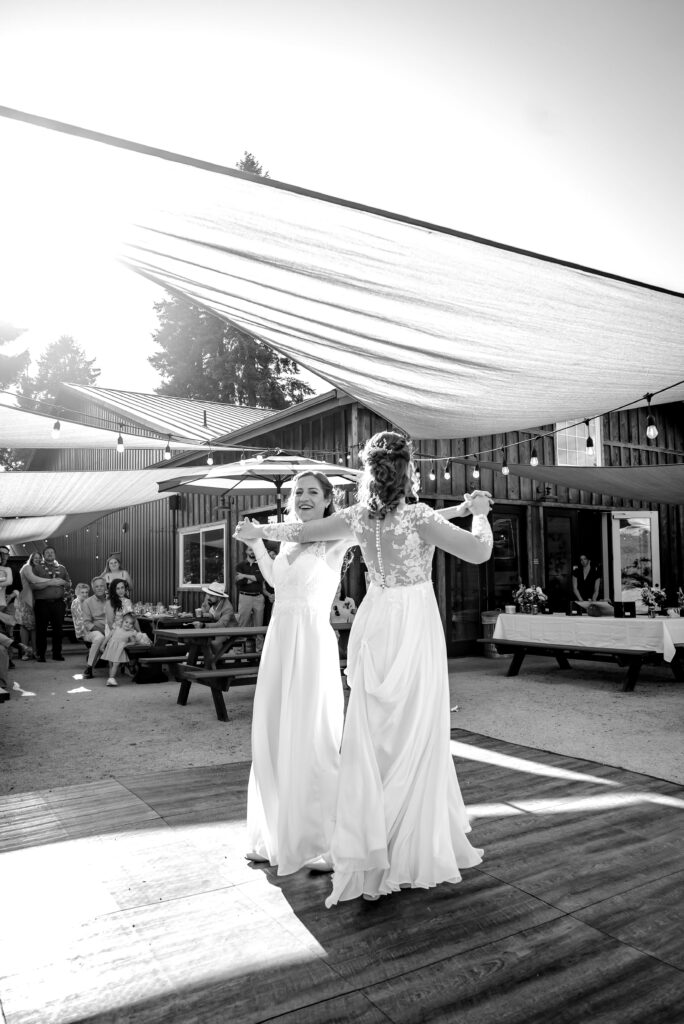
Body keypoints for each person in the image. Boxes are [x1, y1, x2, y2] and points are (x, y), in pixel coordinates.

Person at [235, 431, 493, 906]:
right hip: (412, 620)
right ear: (407, 471)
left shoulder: (357, 517)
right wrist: (478, 513)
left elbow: (298, 532)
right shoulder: (418, 516)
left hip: (375, 619)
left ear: (370, 474)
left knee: (370, 731)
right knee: (412, 726)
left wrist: (260, 532)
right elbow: (478, 551)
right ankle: (403, 837)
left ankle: (361, 839)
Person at [235, 471, 351, 876]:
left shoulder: (336, 538)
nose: (303, 497)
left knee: (312, 735)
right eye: (298, 491)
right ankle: (275, 835)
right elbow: (276, 581)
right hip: (280, 642)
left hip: (312, 644)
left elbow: (376, 527)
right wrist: (256, 544)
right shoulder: (286, 539)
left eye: (312, 492)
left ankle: (323, 840)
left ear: (327, 500)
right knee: (274, 732)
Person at [26, 546, 71, 662]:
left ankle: (57, 653)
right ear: (44, 555)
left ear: (55, 555)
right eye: (47, 552)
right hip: (42, 603)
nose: (50, 554)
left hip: (58, 603)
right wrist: (49, 583)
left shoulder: (62, 568)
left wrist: (63, 582)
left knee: (58, 630)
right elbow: (33, 585)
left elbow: (68, 584)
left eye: (52, 552)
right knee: (41, 630)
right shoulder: (37, 568)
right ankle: (41, 654)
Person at [101, 611, 151, 687]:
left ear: (133, 626)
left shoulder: (130, 633)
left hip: (119, 650)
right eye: (126, 622)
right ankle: (110, 679)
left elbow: (133, 642)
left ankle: (111, 678)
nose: (128, 625)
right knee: (111, 665)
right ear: (122, 622)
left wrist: (126, 644)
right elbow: (108, 637)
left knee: (116, 664)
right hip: (111, 648)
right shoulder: (116, 629)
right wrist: (102, 645)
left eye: (131, 624)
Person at [199, 581, 238, 661]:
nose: (208, 597)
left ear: (219, 597)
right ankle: (208, 661)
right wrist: (205, 613)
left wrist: (204, 625)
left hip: (228, 630)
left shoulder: (228, 607)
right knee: (200, 641)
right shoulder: (209, 599)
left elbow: (222, 624)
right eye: (208, 594)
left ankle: (218, 661)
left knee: (214, 643)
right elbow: (203, 609)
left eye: (211, 595)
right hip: (214, 628)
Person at [81, 577, 109, 678]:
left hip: (110, 629)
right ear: (93, 588)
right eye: (97, 586)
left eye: (102, 586)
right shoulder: (87, 602)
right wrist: (103, 631)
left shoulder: (111, 600)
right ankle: (89, 667)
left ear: (105, 587)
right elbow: (87, 623)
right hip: (92, 631)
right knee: (99, 637)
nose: (99, 588)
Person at [14, 554, 39, 659]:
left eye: (39, 558)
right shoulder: (27, 567)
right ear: (31, 559)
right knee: (24, 626)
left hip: (35, 601)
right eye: (35, 558)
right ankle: (25, 652)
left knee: (34, 627)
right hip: (25, 601)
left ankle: (34, 651)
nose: (37, 559)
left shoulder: (38, 569)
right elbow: (34, 580)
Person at [234, 549, 266, 630]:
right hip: (245, 597)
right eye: (250, 549)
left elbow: (260, 578)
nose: (252, 551)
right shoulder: (240, 565)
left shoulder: (261, 565)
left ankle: (259, 639)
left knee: (259, 625)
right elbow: (240, 582)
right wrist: (254, 578)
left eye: (254, 549)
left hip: (258, 598)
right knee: (242, 624)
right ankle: (242, 638)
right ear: (246, 551)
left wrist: (244, 575)